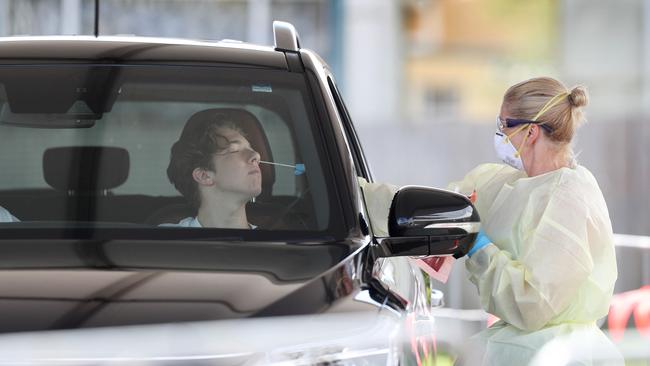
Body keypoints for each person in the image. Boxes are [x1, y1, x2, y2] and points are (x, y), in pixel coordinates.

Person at [450, 77, 619, 365]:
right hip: (523, 343)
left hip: (554, 352)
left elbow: (534, 303)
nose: (500, 134)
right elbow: (449, 203)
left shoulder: (569, 197)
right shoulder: (516, 183)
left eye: (505, 125)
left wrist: (479, 248)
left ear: (530, 133)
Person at [164, 110, 262, 229]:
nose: (256, 155)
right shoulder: (164, 242)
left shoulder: (275, 244)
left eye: (250, 148)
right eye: (235, 150)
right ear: (204, 176)